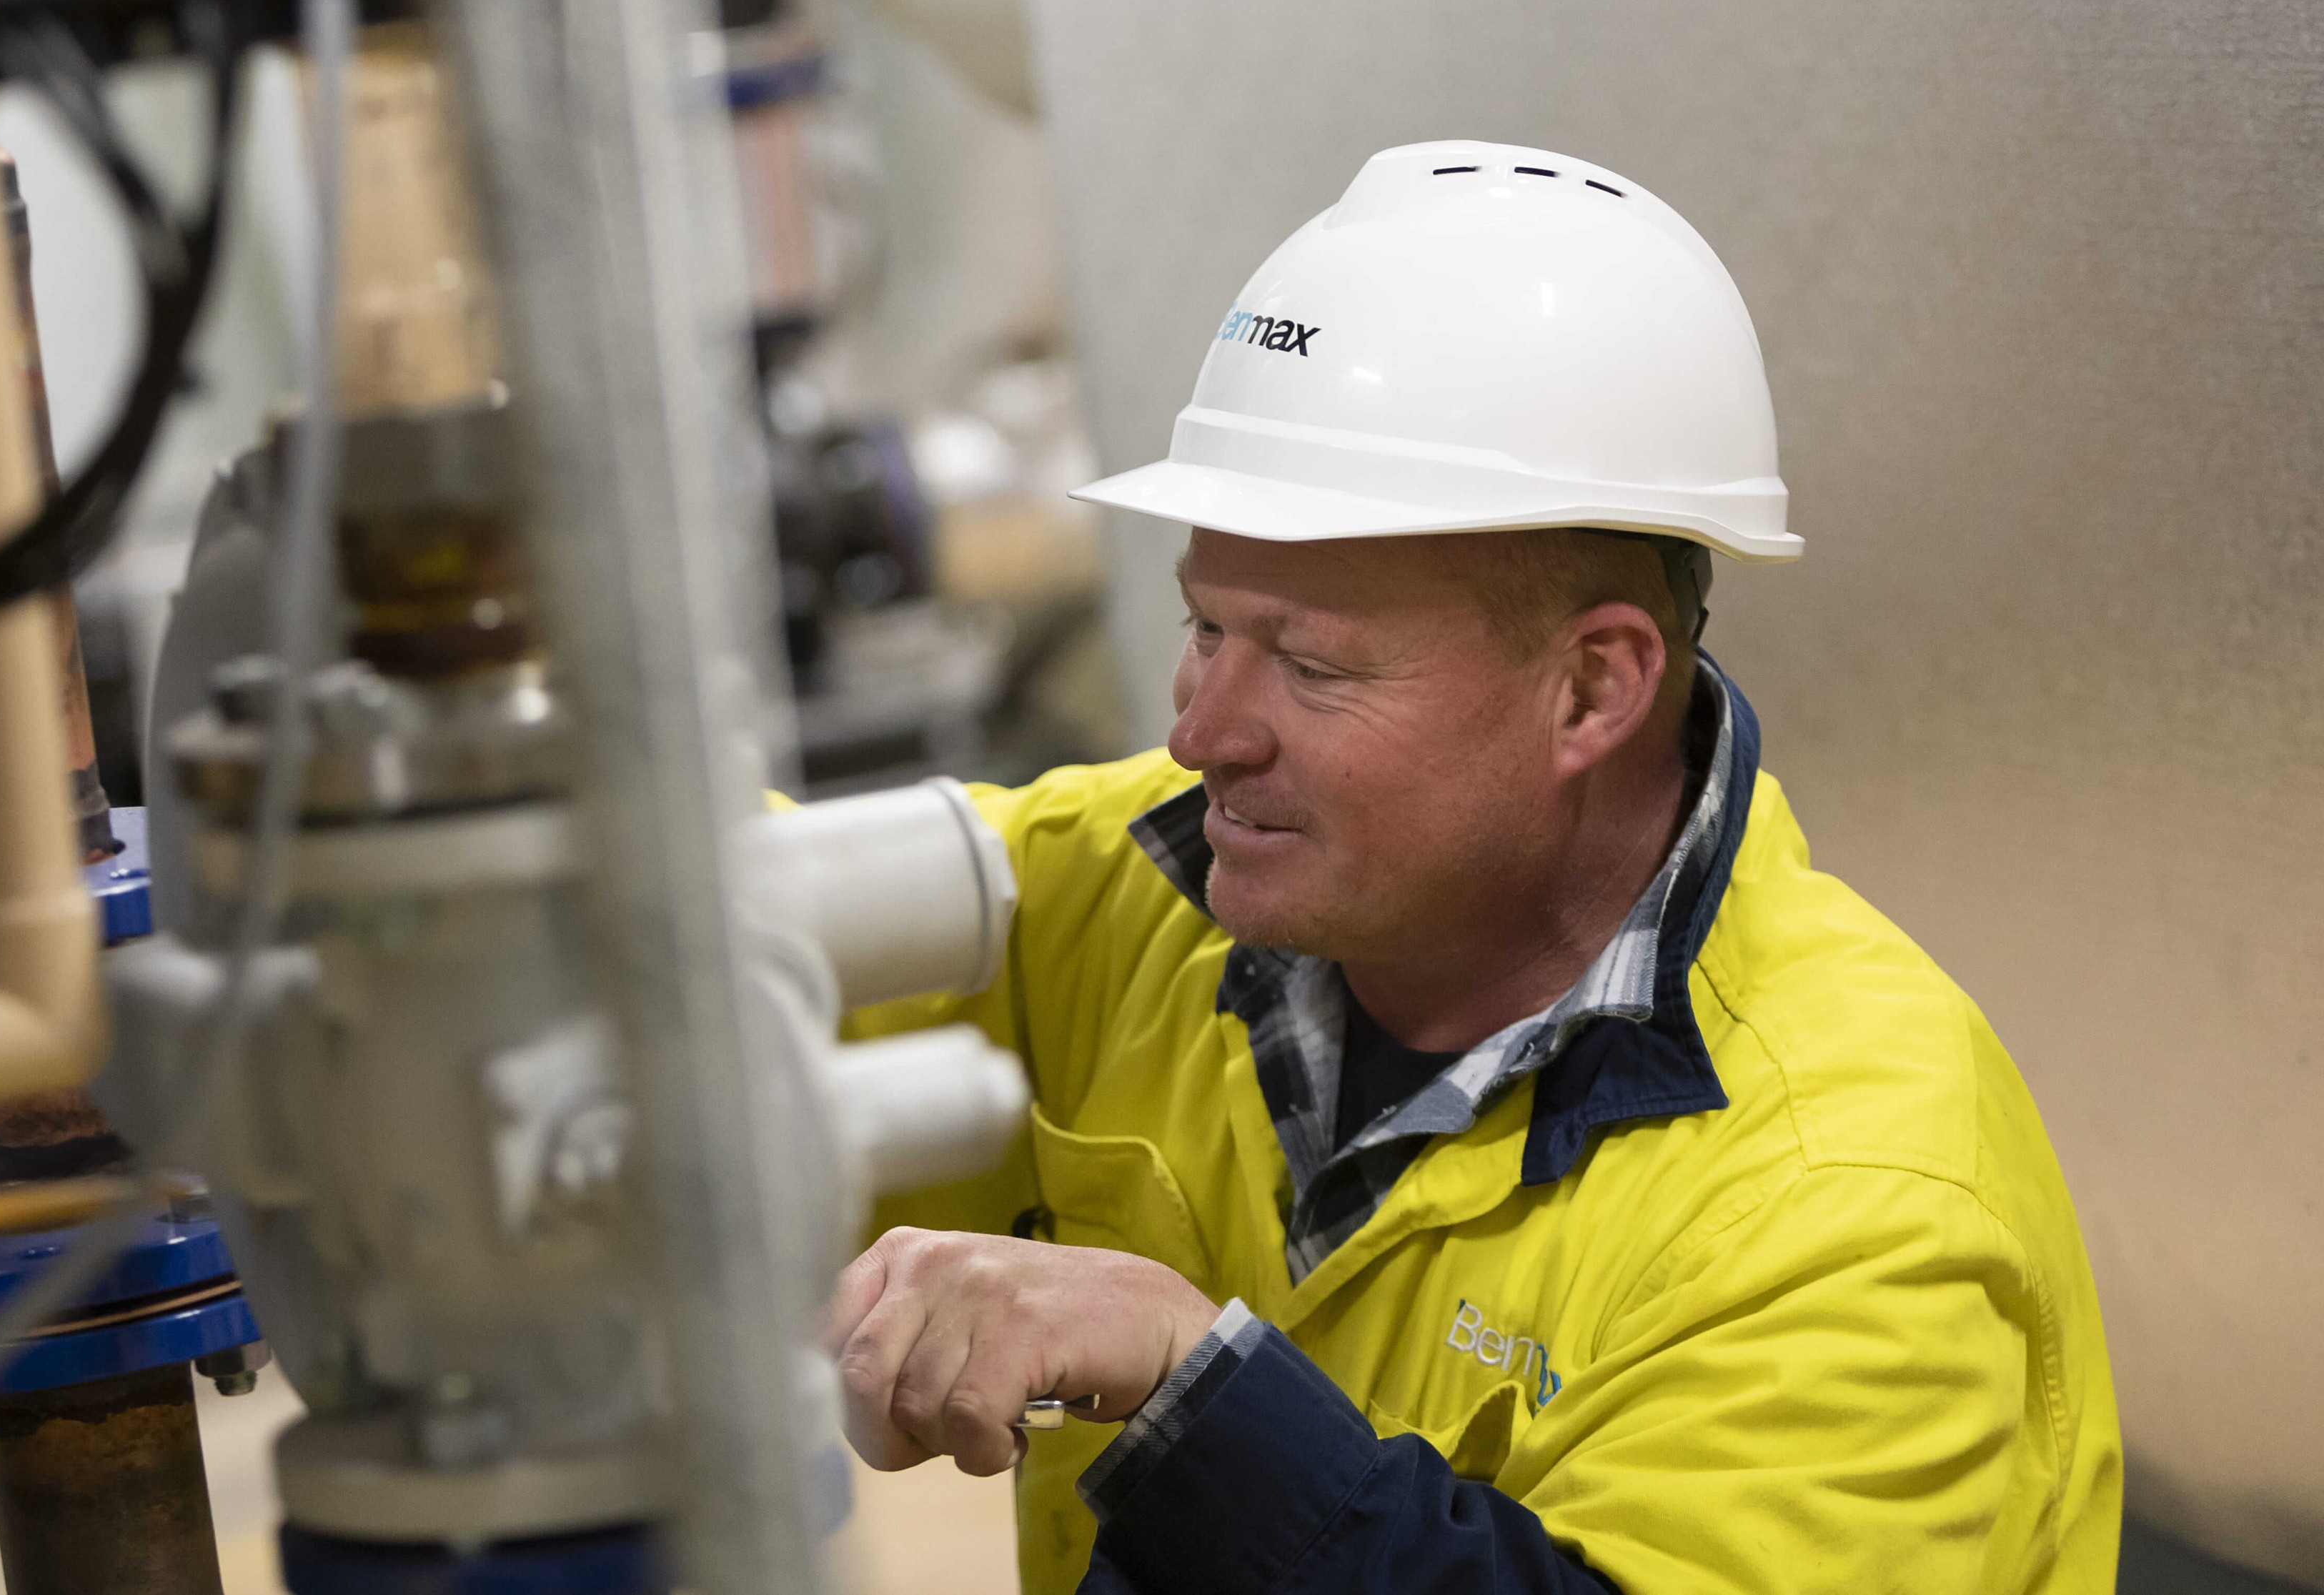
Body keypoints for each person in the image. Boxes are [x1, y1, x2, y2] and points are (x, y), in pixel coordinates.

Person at [826, 140, 2122, 1594]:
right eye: (1204, 629)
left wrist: (1193, 1392)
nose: (1197, 734)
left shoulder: (1853, 1202)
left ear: (1590, 689)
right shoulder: (1144, 887)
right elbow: (697, 969)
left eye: (1311, 667)